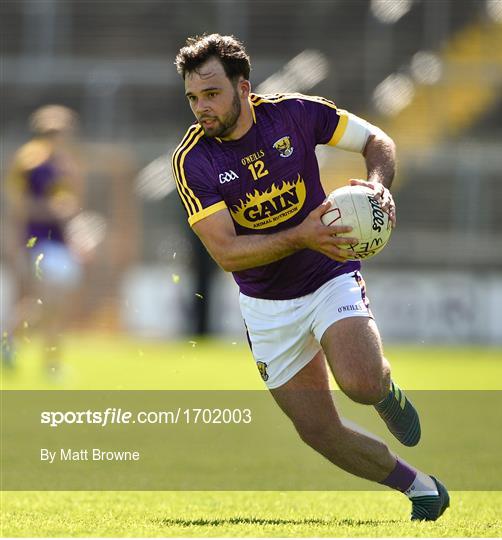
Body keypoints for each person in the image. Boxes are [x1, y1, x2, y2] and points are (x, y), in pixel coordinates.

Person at [172, 33, 449, 521]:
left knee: (361, 383)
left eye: (212, 93)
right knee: (316, 430)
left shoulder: (296, 113)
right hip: (265, 305)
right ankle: (420, 487)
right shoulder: (192, 160)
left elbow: (376, 140)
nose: (202, 108)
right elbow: (229, 253)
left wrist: (379, 187)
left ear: (244, 87)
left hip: (328, 274)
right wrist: (301, 234)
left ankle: (384, 392)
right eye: (193, 97)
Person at [2, 105, 85, 376]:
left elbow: (71, 207)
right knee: (47, 302)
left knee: (51, 305)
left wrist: (76, 236)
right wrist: (51, 210)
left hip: (59, 244)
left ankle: (15, 344)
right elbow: (20, 206)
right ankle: (46, 362)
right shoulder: (32, 164)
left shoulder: (65, 164)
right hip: (38, 242)